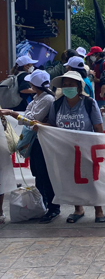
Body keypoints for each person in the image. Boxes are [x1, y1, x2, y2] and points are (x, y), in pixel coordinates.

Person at [46, 71, 105, 223]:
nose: (67, 88)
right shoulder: (57, 104)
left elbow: (98, 127)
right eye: (65, 85)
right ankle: (78, 209)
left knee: (92, 181)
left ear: (79, 87)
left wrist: (98, 148)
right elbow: (52, 126)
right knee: (71, 180)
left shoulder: (89, 103)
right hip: (65, 150)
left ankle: (99, 210)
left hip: (86, 149)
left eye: (71, 85)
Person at [0, 70, 56, 223]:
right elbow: (27, 117)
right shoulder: (37, 98)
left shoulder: (47, 99)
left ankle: (52, 207)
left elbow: (32, 118)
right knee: (37, 173)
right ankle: (43, 204)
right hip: (34, 139)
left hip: (42, 140)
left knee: (45, 174)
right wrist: (23, 117)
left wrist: (12, 113)